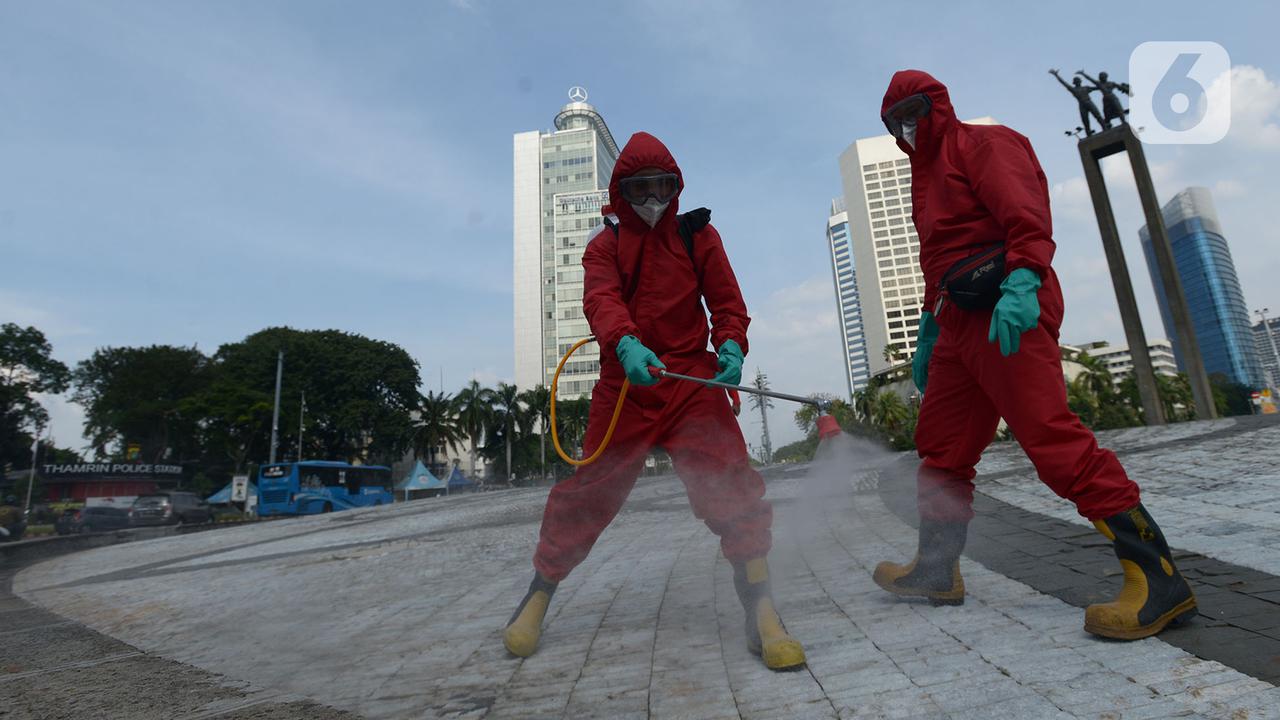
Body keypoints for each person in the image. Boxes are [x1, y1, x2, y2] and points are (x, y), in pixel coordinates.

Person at [872, 70, 1196, 640]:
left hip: (1004, 307)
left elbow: (1026, 215)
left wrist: (1023, 281)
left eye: (917, 112)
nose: (911, 127)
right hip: (955, 320)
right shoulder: (920, 182)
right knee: (942, 449)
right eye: (899, 121)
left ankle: (1160, 579)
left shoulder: (983, 144)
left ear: (939, 105)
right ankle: (935, 569)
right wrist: (927, 327)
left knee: (1051, 438)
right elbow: (937, 257)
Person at [503, 132, 805, 671]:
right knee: (589, 491)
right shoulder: (604, 247)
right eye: (641, 188)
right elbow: (600, 299)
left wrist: (731, 343)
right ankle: (538, 595)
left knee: (731, 481)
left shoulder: (699, 236)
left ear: (677, 186)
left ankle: (761, 609)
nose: (653, 198)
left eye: (663, 186)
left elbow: (727, 302)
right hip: (627, 385)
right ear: (621, 190)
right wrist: (624, 341)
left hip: (691, 382)